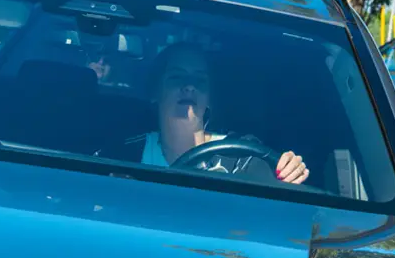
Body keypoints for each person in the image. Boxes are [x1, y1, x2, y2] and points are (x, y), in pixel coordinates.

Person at [110, 42, 308, 184]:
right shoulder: (125, 155)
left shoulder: (241, 157)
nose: (189, 86)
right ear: (155, 91)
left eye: (200, 80)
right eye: (177, 77)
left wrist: (289, 172)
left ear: (210, 98)